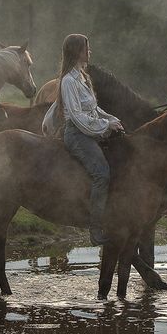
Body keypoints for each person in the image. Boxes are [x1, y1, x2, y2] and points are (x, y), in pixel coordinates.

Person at [43, 34, 124, 245]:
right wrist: (105, 126)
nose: (90, 52)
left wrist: (112, 119)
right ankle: (95, 228)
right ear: (78, 51)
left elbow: (94, 109)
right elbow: (77, 117)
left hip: (89, 131)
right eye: (87, 48)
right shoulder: (68, 81)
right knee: (101, 174)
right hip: (77, 135)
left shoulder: (82, 77)